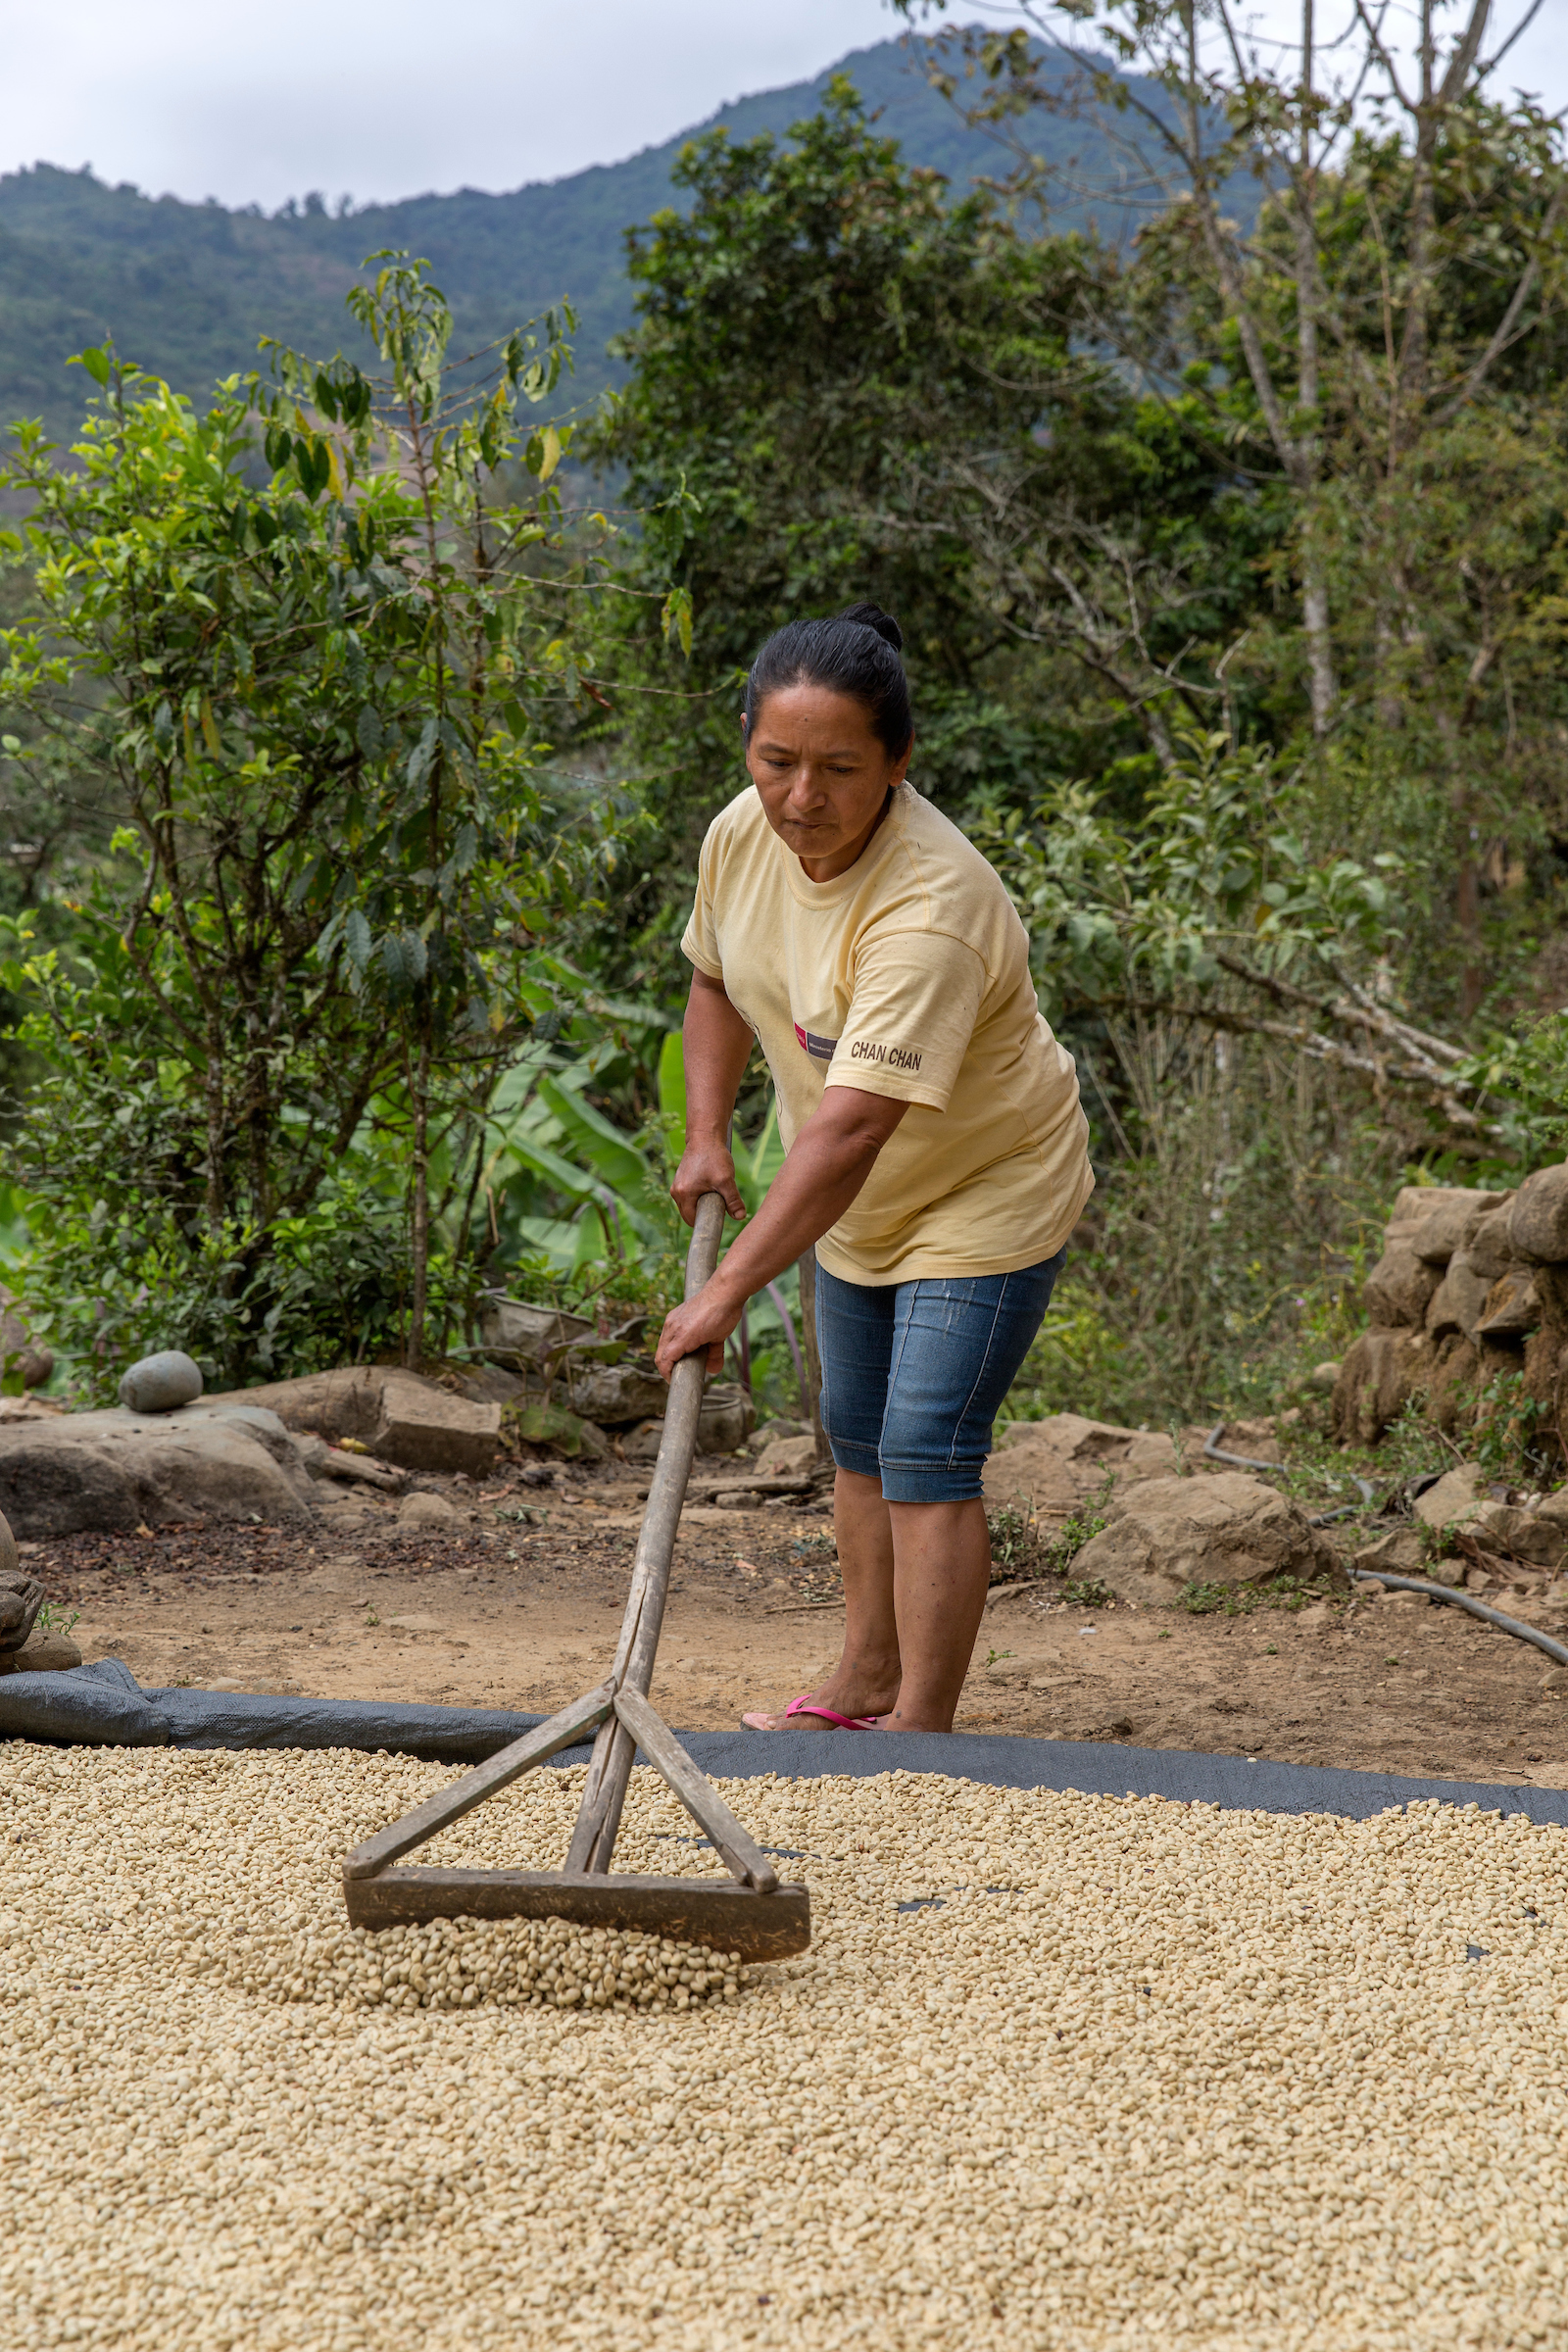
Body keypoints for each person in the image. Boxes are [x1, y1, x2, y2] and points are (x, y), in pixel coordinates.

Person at [653, 602, 1094, 1732]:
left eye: (841, 768)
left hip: (983, 1183)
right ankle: (861, 1680)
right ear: (747, 739)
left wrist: (725, 1290)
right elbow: (713, 980)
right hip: (852, 1198)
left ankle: (920, 1733)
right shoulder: (741, 837)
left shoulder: (931, 904)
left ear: (899, 762)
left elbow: (850, 1129)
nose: (803, 798)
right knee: (854, 1438)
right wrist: (706, 1136)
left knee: (923, 1445)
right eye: (777, 761)